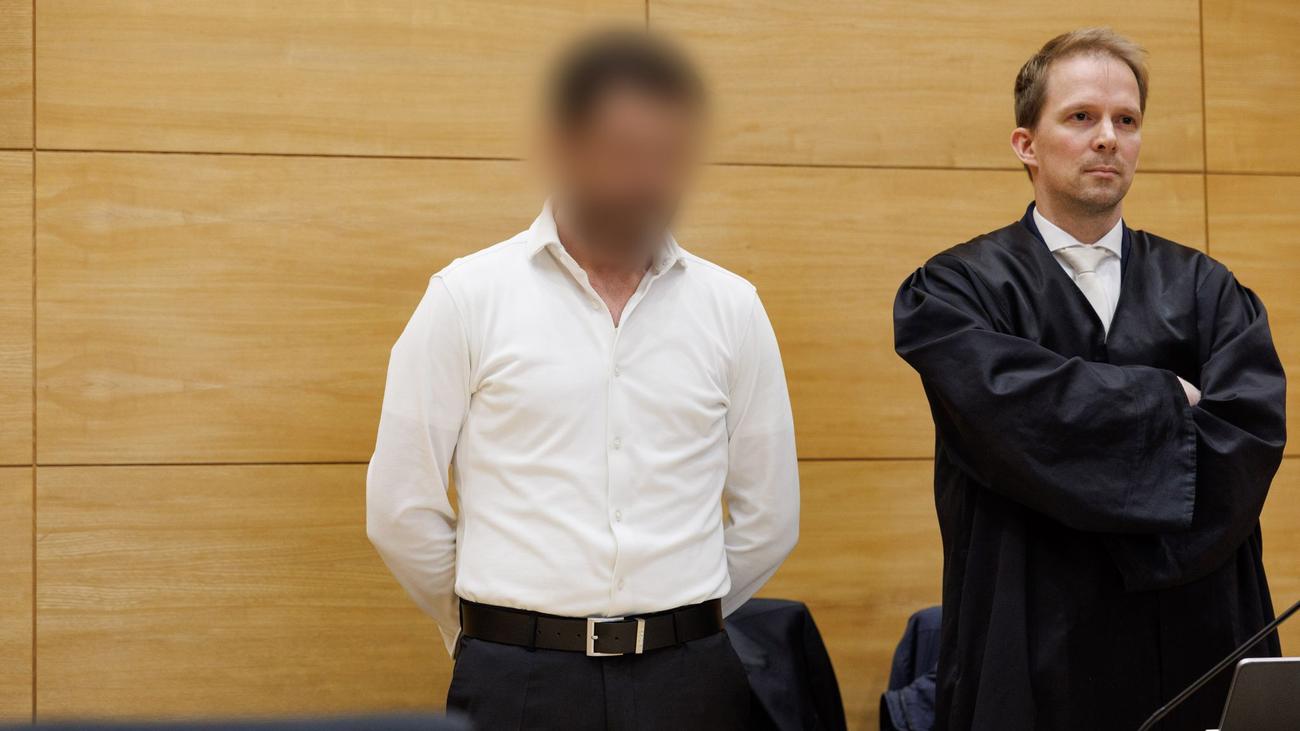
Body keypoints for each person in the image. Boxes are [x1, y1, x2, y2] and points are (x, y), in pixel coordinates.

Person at [366, 29, 799, 731]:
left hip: (691, 679)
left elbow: (770, 517)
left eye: (666, 156)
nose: (646, 179)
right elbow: (399, 506)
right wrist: (492, 628)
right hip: (519, 678)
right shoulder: (466, 297)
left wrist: (679, 620)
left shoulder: (732, 307)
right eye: (624, 151)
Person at [893, 28, 1286, 731]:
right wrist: (1168, 400)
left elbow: (1246, 439)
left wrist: (1067, 463)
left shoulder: (1210, 290)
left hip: (1192, 635)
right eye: (1081, 116)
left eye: (1126, 120)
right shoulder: (953, 293)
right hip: (1028, 637)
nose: (1108, 137)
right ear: (1026, 144)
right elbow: (1006, 416)